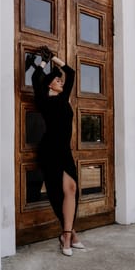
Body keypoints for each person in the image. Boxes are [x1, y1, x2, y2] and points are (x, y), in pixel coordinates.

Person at [30, 46, 84, 256]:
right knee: (57, 193)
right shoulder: (43, 101)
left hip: (64, 150)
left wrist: (54, 58)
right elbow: (36, 77)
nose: (61, 81)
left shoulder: (63, 98)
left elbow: (71, 73)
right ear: (49, 84)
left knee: (71, 189)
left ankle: (67, 234)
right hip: (49, 151)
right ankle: (69, 236)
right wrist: (43, 63)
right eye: (57, 80)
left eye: (60, 80)